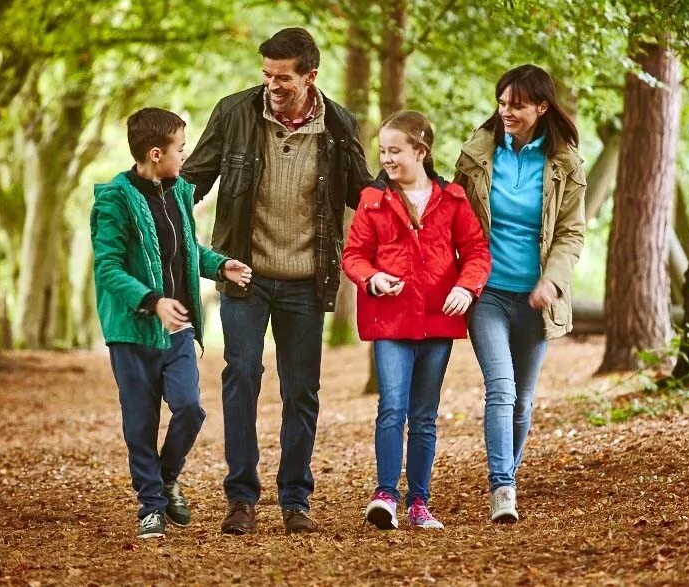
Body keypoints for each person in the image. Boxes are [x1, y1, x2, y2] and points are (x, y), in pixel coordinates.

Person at [181, 27, 373, 535]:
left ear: (310, 76)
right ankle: (241, 497)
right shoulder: (235, 112)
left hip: (307, 282)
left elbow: (364, 194)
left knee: (301, 391)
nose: (272, 84)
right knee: (240, 376)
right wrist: (145, 207)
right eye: (266, 74)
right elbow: (193, 180)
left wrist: (421, 200)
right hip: (245, 273)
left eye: (283, 77)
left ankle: (295, 499)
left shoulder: (338, 125)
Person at [91, 107, 254, 540]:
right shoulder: (114, 200)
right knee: (140, 422)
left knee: (189, 407)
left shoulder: (179, 192)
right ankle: (151, 506)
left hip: (178, 327)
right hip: (133, 332)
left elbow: (188, 251)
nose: (186, 155)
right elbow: (107, 268)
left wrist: (222, 267)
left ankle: (166, 478)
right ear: (156, 152)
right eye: (181, 148)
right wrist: (152, 302)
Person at [341, 111, 491, 531]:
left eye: (395, 151)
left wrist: (466, 287)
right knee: (392, 408)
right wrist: (372, 279)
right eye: (383, 151)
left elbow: (477, 252)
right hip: (390, 324)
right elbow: (353, 256)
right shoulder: (372, 201)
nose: (387, 159)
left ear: (421, 151)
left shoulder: (454, 199)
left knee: (424, 416)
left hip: (437, 324)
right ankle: (385, 494)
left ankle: (420, 502)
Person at [453, 64, 587, 524]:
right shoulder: (476, 154)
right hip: (487, 292)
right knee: (502, 390)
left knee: (524, 401)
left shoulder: (565, 163)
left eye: (517, 104)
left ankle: (508, 473)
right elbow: (453, 216)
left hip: (536, 299)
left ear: (541, 107)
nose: (506, 111)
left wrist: (552, 279)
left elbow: (571, 233)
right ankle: (502, 487)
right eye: (502, 102)